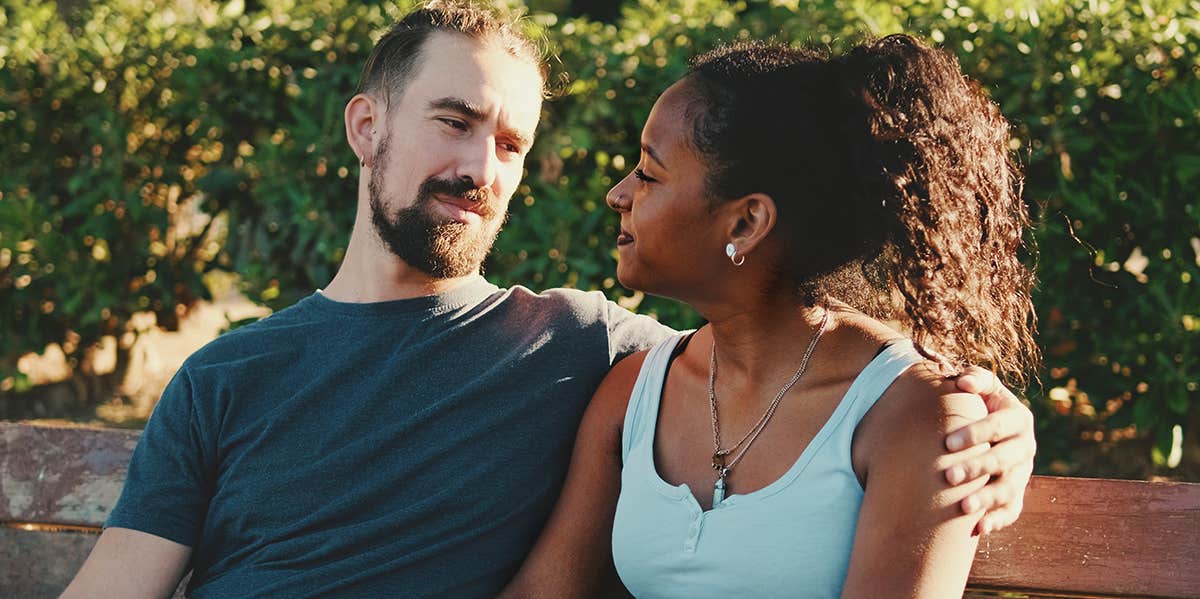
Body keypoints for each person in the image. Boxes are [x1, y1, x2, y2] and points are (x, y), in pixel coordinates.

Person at [62, 4, 1036, 598]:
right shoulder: (226, 375)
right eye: (454, 121)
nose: (480, 165)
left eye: (512, 143)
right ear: (368, 125)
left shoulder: (580, 344)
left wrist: (994, 409)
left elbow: (785, 344)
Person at [502, 34, 1039, 598]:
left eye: (649, 173)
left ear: (745, 224)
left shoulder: (909, 416)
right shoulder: (634, 392)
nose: (619, 193)